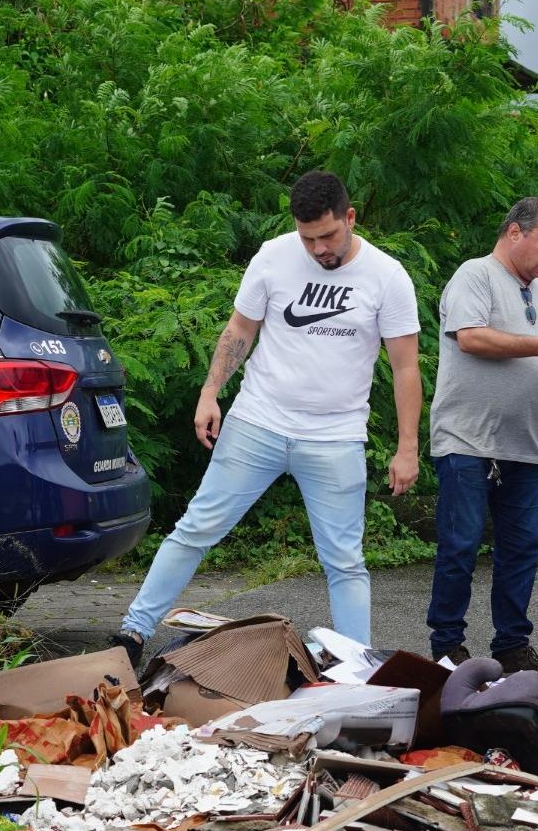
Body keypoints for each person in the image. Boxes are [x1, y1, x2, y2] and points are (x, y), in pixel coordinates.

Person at [107, 171, 422, 664]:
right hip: (258, 422)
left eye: (328, 236)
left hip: (336, 436)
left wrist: (407, 448)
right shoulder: (273, 256)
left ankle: (354, 665)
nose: (318, 249)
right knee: (196, 528)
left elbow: (405, 367)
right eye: (308, 238)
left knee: (345, 560)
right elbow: (240, 329)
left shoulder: (388, 276)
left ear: (350, 218)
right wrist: (210, 393)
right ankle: (133, 632)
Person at [427, 197, 538, 672]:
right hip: (467, 439)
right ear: (515, 233)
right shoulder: (475, 275)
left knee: (521, 549)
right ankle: (446, 643)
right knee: (461, 545)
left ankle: (512, 643)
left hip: (524, 443)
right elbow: (471, 337)